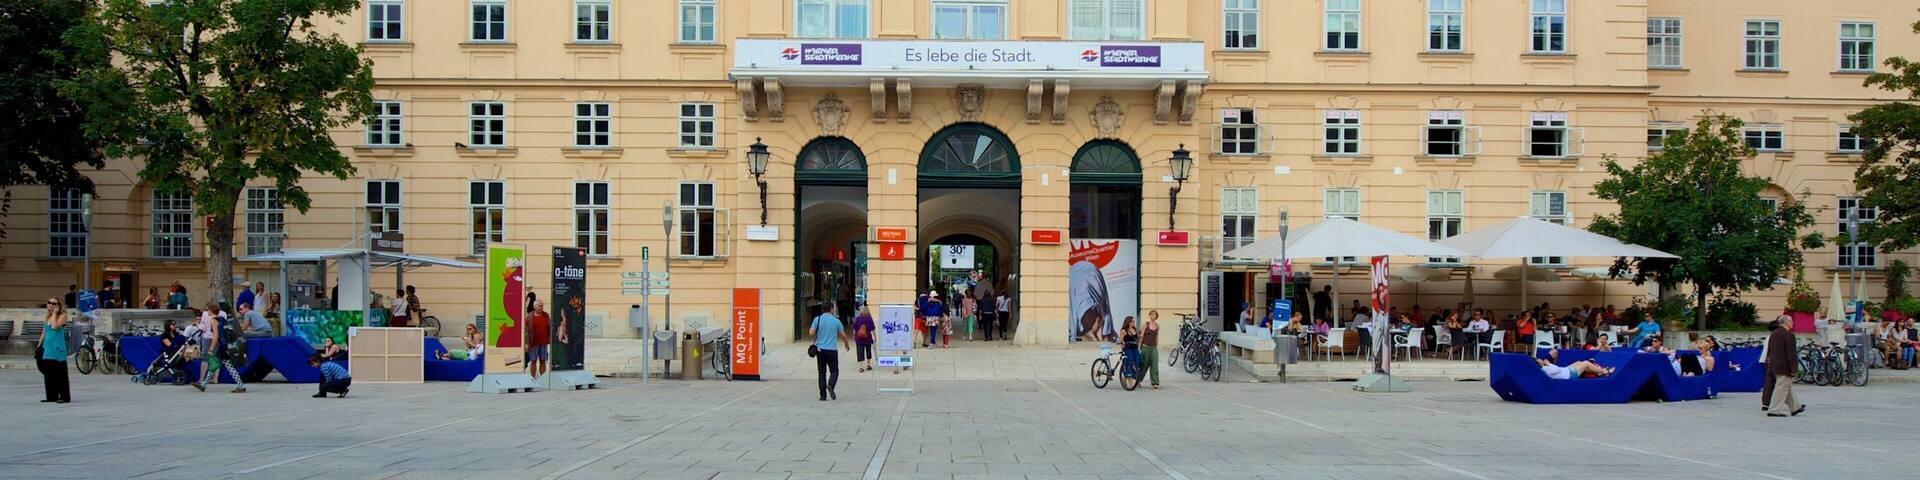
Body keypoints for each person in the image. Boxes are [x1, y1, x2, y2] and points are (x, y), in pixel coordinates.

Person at [1765, 317, 1805, 417]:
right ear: (1786, 323)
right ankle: (1773, 410)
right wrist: (1793, 368)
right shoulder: (1789, 335)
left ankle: (1795, 407)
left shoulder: (1774, 333)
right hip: (1784, 366)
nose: (1793, 323)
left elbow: (1770, 349)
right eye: (1791, 321)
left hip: (1775, 364)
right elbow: (1791, 354)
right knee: (1781, 388)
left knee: (1787, 386)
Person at [809, 304, 850, 401]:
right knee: (834, 370)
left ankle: (823, 396)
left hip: (820, 350)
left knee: (822, 372)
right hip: (832, 350)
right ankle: (831, 384)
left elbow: (811, 333)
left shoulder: (817, 319)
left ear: (823, 310)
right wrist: (846, 344)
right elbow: (843, 336)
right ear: (831, 309)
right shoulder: (836, 321)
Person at [37, 299, 72, 403]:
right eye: (49, 303)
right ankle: (52, 396)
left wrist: (55, 314)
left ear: (59, 305)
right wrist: (39, 344)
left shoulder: (62, 315)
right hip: (47, 346)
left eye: (54, 303)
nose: (51, 305)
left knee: (60, 372)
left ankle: (64, 396)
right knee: (48, 372)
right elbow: (45, 331)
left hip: (57, 347)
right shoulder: (48, 316)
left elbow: (55, 327)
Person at [525, 300, 552, 378]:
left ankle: (542, 378)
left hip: (544, 343)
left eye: (542, 306)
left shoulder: (546, 315)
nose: (541, 307)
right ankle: (533, 377)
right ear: (534, 307)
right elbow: (526, 331)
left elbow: (550, 327)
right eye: (540, 306)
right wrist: (526, 343)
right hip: (533, 343)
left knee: (543, 360)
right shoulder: (529, 317)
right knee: (533, 361)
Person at [1535, 355, 1613, 380]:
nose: (1542, 359)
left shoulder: (1544, 368)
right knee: (1586, 363)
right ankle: (1604, 372)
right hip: (1570, 374)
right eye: (1540, 360)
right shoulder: (1545, 369)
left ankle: (1598, 372)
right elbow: (1557, 370)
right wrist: (1549, 364)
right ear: (1539, 363)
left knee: (1579, 362)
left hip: (1565, 371)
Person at [852, 304, 876, 372]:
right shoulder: (869, 319)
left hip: (859, 339)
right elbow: (873, 329)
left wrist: (854, 336)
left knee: (860, 352)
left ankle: (861, 367)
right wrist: (875, 337)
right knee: (868, 351)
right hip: (868, 338)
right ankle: (868, 365)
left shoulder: (858, 318)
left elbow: (854, 329)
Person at [1143, 310, 1163, 389]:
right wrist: (1139, 347)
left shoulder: (1158, 326)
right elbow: (1141, 335)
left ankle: (1155, 382)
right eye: (1151, 314)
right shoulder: (1146, 324)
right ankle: (1138, 380)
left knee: (1155, 365)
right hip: (1145, 347)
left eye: (1154, 315)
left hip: (1153, 347)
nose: (1152, 316)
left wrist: (1156, 346)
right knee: (1144, 365)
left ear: (1156, 316)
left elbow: (1157, 336)